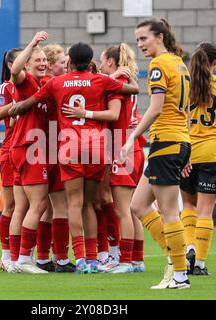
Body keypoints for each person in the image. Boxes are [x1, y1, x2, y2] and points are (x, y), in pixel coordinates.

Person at [10, 42, 139, 273]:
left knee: (73, 204)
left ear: (69, 61)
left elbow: (33, 101)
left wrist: (17, 108)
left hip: (70, 148)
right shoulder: (100, 80)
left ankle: (79, 259)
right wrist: (114, 78)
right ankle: (93, 258)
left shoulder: (58, 83)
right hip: (97, 148)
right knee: (90, 204)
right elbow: (133, 90)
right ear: (90, 60)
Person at [121, 19, 191, 289]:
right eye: (137, 40)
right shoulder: (178, 62)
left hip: (167, 143)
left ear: (159, 37)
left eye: (143, 39)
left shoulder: (160, 64)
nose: (140, 45)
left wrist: (132, 137)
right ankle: (176, 259)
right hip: (174, 142)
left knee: (169, 211)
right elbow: (181, 110)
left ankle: (180, 274)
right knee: (138, 205)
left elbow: (157, 108)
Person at [67, 43, 145, 273]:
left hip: (122, 149)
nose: (100, 66)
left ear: (111, 62)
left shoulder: (116, 84)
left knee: (121, 209)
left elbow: (114, 114)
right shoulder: (124, 82)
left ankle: (125, 260)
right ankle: (136, 259)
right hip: (131, 147)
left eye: (102, 61)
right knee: (129, 209)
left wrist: (85, 113)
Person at [180, 42, 216, 275]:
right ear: (215, 62)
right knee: (206, 211)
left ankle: (190, 247)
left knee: (188, 205)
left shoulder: (185, 86)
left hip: (187, 152)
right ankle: (201, 264)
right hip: (213, 152)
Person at [7, 31, 50, 274]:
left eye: (45, 60)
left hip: (23, 147)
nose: (42, 63)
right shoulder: (25, 82)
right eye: (38, 60)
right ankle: (24, 259)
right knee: (39, 203)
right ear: (28, 64)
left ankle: (14, 259)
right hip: (30, 148)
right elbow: (15, 72)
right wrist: (32, 43)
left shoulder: (43, 84)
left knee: (22, 207)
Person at [36, 44, 75, 273]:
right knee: (60, 207)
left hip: (40, 149)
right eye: (62, 62)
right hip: (55, 149)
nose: (65, 66)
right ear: (50, 65)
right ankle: (61, 258)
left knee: (44, 209)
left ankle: (41, 258)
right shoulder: (57, 85)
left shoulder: (42, 84)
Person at [0, 48, 22, 272]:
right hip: (11, 149)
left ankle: (26, 255)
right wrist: (19, 105)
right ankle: (6, 256)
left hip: (32, 149)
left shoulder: (33, 81)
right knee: (11, 205)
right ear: (11, 65)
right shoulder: (6, 87)